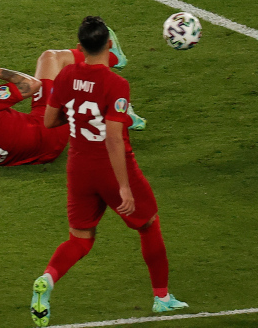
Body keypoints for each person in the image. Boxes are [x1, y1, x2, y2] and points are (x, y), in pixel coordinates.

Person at [29, 16, 187, 327]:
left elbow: (49, 121)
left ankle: (47, 278)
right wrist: (124, 187)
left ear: (79, 47)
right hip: (111, 169)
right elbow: (113, 137)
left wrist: (76, 115)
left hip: (78, 168)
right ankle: (162, 297)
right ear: (110, 44)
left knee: (80, 239)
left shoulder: (66, 75)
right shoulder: (116, 84)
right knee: (148, 224)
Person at [0, 28, 146, 166]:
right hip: (48, 131)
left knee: (66, 88)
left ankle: (113, 108)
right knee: (51, 58)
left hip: (27, 157)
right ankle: (112, 64)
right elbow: (32, 85)